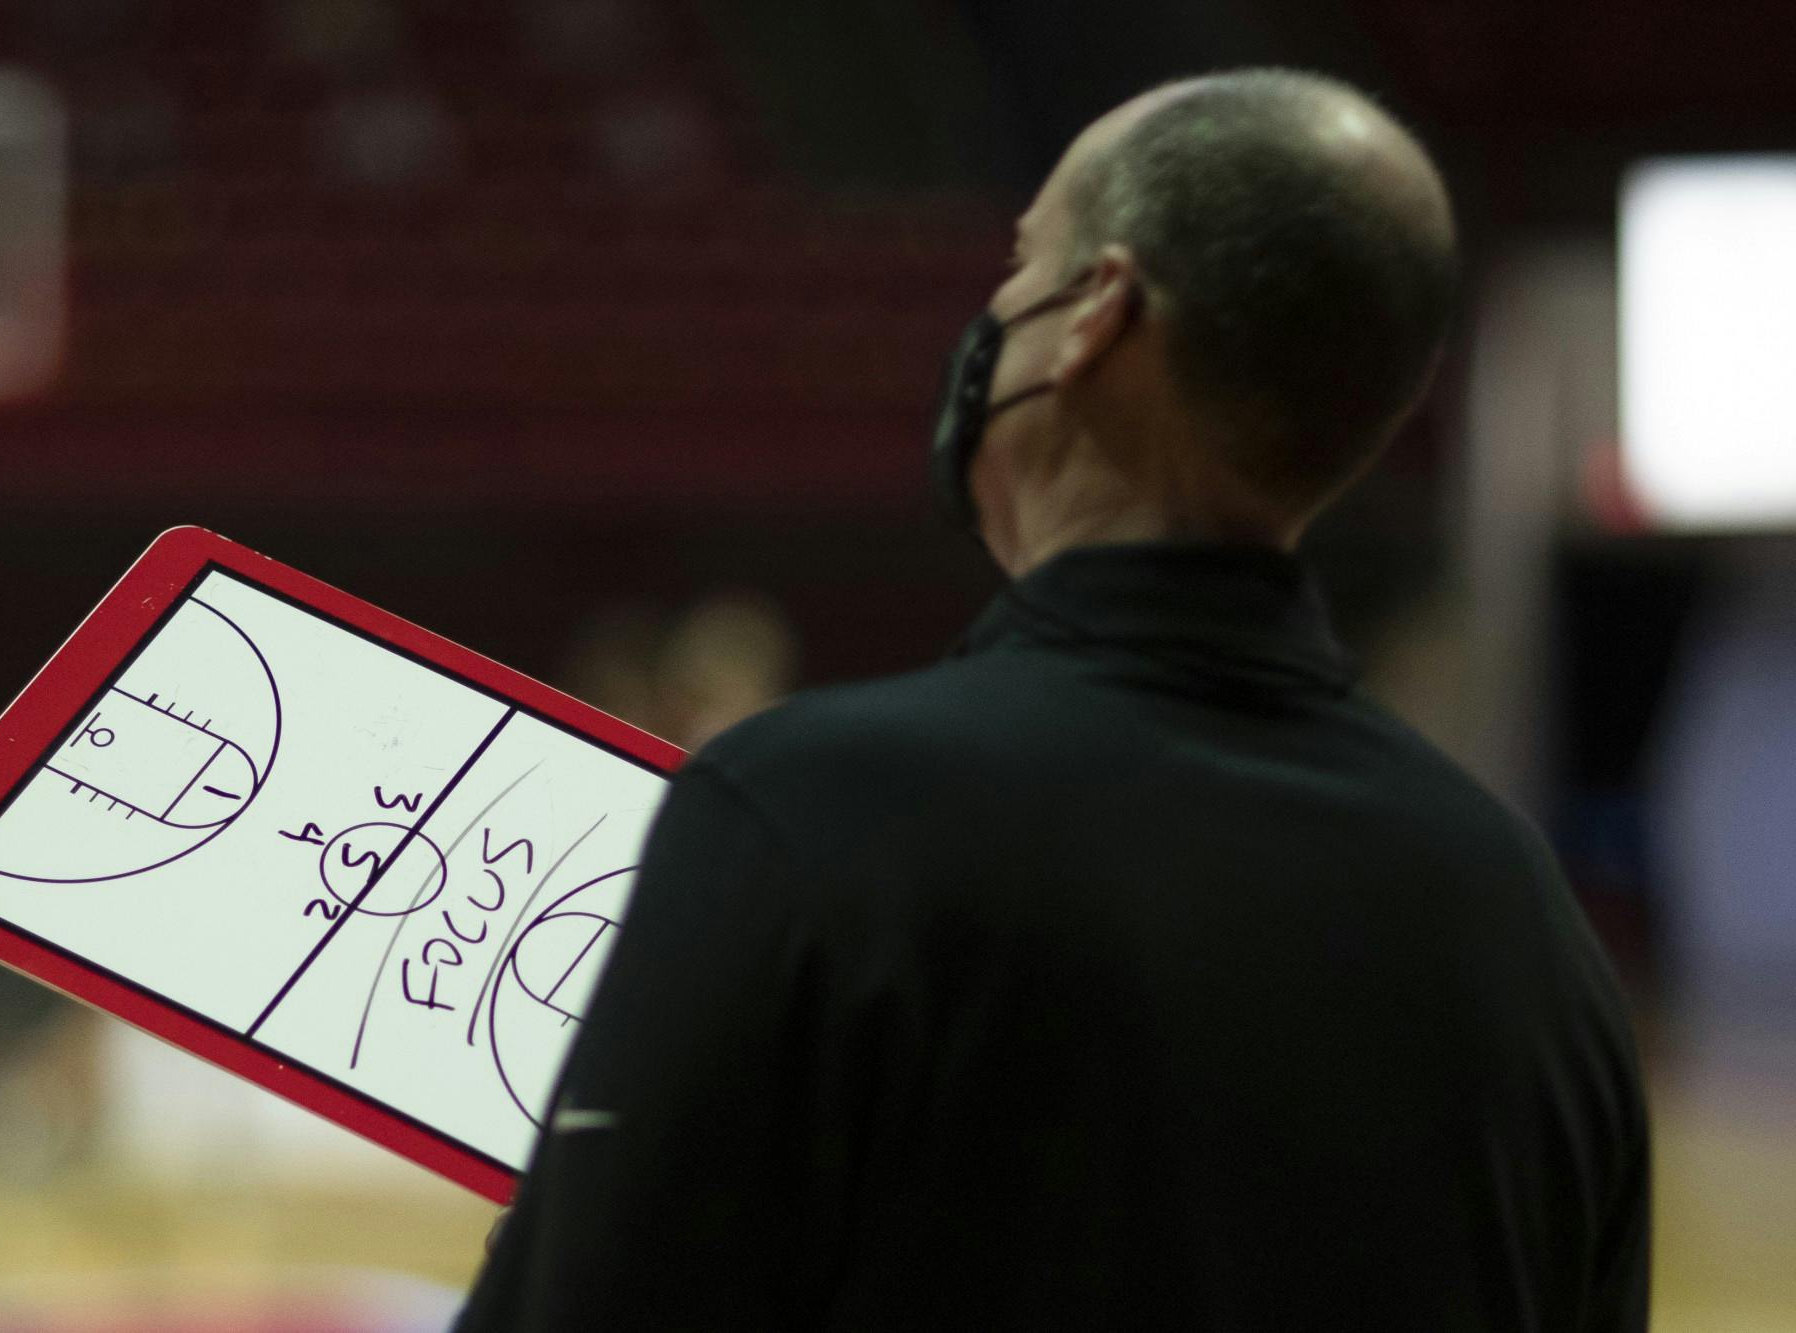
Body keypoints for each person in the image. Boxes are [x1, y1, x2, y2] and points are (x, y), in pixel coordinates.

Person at [454, 67, 1649, 1331]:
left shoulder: (807, 812)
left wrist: (567, 1211)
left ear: (1097, 316)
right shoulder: (1531, 932)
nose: (989, 317)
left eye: (1016, 272)